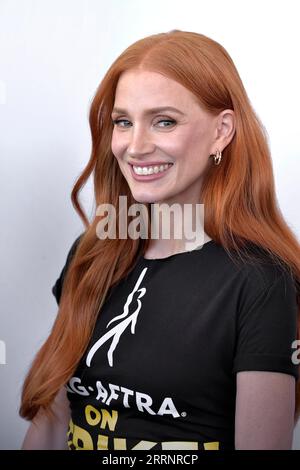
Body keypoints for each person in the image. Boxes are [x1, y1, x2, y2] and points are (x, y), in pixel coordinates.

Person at [19, 30, 300, 450]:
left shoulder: (262, 283)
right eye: (123, 122)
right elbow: (51, 423)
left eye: (164, 121)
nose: (135, 147)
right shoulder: (93, 254)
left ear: (222, 131)